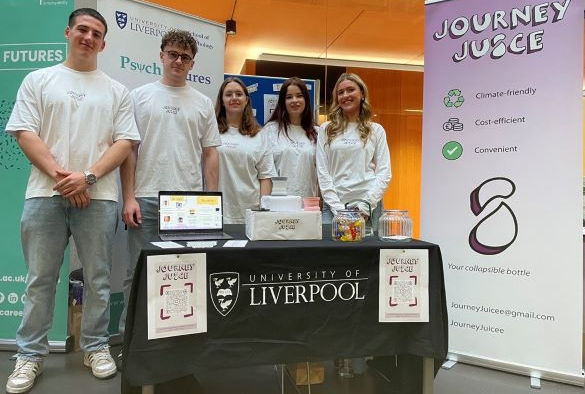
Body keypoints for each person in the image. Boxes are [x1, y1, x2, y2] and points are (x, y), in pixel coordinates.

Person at [4, 8, 140, 393]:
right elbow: (25, 132)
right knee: (40, 280)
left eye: (96, 33)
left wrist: (89, 177)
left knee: (97, 279)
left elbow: (125, 142)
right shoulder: (40, 79)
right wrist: (66, 178)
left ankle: (95, 347)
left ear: (103, 43)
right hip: (43, 195)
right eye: (82, 29)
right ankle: (30, 354)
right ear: (68, 32)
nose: (88, 37)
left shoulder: (117, 91)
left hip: (98, 198)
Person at [118, 29, 220, 336]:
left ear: (192, 64)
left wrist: (211, 204)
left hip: (188, 204)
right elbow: (129, 151)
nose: (178, 60)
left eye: (185, 57)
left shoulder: (202, 102)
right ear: (161, 56)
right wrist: (129, 197)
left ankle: (179, 337)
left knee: (185, 272)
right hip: (146, 200)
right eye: (173, 54)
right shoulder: (139, 97)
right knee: (137, 273)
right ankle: (130, 341)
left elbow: (210, 154)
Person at [316, 72, 391, 230]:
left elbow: (384, 172)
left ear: (362, 94)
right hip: (334, 207)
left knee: (368, 254)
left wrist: (365, 208)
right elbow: (323, 172)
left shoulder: (376, 130)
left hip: (370, 208)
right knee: (330, 254)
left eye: (350, 90)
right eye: (340, 92)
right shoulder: (326, 129)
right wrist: (340, 211)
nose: (345, 95)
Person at [215, 77, 276, 223]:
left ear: (246, 100)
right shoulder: (210, 131)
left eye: (239, 94)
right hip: (216, 212)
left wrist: (263, 210)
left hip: (250, 212)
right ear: (222, 100)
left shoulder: (260, 135)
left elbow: (265, 177)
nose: (234, 98)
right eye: (228, 94)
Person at [263, 77, 319, 197]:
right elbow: (264, 171)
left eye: (299, 95)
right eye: (289, 97)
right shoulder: (270, 130)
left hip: (308, 204)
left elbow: (322, 174)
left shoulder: (317, 132)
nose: (294, 100)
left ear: (306, 99)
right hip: (277, 202)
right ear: (283, 102)